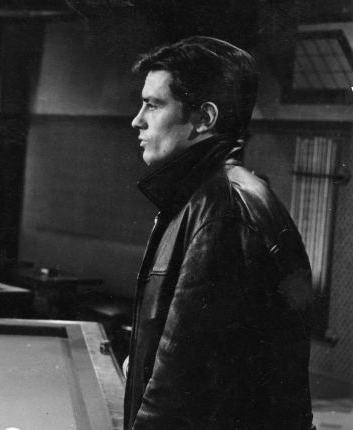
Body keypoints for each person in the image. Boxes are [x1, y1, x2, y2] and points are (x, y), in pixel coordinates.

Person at [125, 36, 313, 429]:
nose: (137, 120)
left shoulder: (220, 209)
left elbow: (180, 392)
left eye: (153, 105)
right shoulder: (211, 194)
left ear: (204, 118)